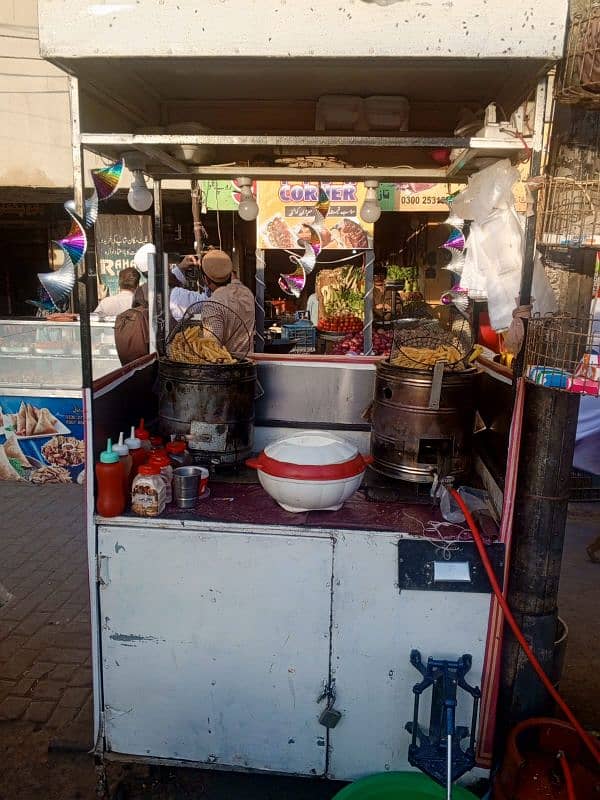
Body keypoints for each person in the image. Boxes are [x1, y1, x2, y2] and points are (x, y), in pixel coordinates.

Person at [178, 249, 255, 358]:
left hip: (228, 367)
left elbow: (212, 349)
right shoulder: (246, 293)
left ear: (206, 280)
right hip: (248, 362)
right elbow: (235, 280)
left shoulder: (213, 305)